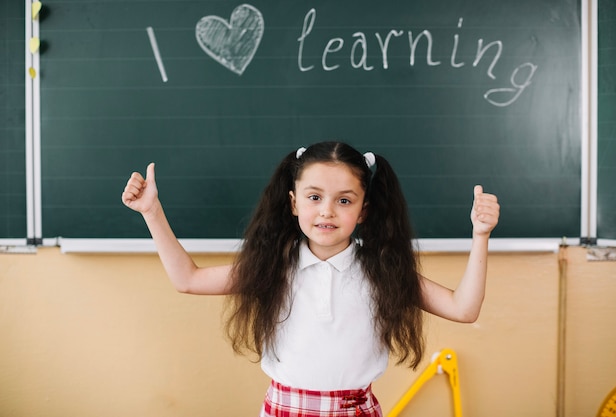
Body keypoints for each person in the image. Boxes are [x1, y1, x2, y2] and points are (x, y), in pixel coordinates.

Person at [121, 141, 500, 417]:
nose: (327, 212)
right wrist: (151, 212)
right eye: (314, 197)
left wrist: (480, 235)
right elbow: (188, 279)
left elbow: (464, 309)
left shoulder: (383, 271)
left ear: (364, 211)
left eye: (344, 201)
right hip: (284, 410)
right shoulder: (271, 267)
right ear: (293, 203)